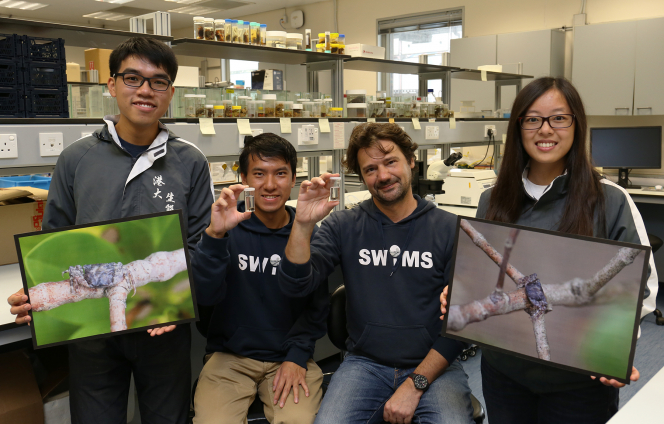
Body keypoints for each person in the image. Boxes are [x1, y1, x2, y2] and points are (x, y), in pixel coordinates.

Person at [8, 37, 214, 424]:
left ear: (170, 92)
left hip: (163, 326)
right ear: (112, 84)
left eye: (158, 81)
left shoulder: (190, 161)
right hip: (94, 332)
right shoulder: (76, 158)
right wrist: (35, 288)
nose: (145, 91)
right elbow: (54, 237)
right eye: (133, 78)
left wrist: (178, 301)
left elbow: (202, 245)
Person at [439, 76, 656, 424]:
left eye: (558, 117)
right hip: (504, 373)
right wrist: (459, 291)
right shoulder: (491, 199)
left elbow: (641, 290)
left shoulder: (610, 200)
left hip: (578, 381)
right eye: (533, 119)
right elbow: (480, 273)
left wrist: (617, 351)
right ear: (519, 127)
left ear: (576, 125)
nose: (546, 129)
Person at [278, 123, 474, 424]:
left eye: (391, 162)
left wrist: (415, 384)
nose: (382, 176)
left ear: (411, 160)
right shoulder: (343, 225)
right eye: (370, 169)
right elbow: (296, 284)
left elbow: (461, 325)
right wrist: (302, 226)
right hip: (364, 364)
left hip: (435, 367)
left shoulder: (450, 229)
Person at [191, 133, 328, 424]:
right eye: (258, 174)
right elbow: (204, 296)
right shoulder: (226, 227)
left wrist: (296, 355)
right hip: (230, 356)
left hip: (289, 358)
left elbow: (316, 308)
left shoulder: (307, 233)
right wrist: (215, 237)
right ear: (243, 178)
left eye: (280, 173)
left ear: (293, 178)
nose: (269, 185)